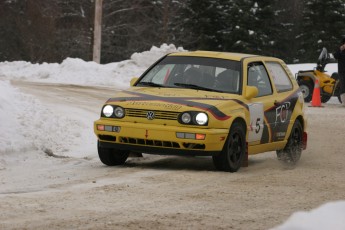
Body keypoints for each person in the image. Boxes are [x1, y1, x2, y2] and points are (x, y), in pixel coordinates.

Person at [334, 37, 345, 106]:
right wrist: (340, 49)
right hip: (342, 71)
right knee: (343, 86)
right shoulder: (340, 49)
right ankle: (343, 102)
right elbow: (335, 55)